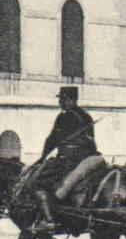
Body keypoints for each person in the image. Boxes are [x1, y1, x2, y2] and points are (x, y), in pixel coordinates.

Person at [33, 86, 101, 224]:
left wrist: (43, 157)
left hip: (68, 159)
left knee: (39, 181)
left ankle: (47, 219)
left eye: (63, 100)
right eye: (61, 100)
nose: (61, 103)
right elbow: (91, 140)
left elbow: (52, 139)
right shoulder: (86, 116)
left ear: (71, 100)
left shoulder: (64, 117)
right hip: (85, 158)